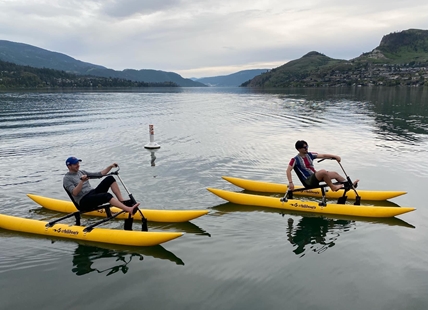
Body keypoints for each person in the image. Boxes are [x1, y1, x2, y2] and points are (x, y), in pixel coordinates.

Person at [63, 157, 140, 215]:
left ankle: (121, 201)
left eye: (78, 163)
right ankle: (128, 209)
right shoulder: (67, 179)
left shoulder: (81, 172)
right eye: (75, 164)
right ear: (69, 166)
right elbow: (75, 193)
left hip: (92, 193)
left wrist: (110, 166)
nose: (78, 165)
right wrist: (82, 181)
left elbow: (100, 174)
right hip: (83, 201)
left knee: (110, 178)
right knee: (107, 196)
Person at [286, 140, 358, 192]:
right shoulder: (295, 159)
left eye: (307, 146)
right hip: (308, 181)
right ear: (299, 149)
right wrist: (291, 183)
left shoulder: (310, 155)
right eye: (304, 147)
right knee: (323, 172)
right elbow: (288, 170)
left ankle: (349, 185)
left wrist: (335, 157)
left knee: (335, 174)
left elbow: (323, 155)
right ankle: (333, 187)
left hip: (315, 177)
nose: (306, 148)